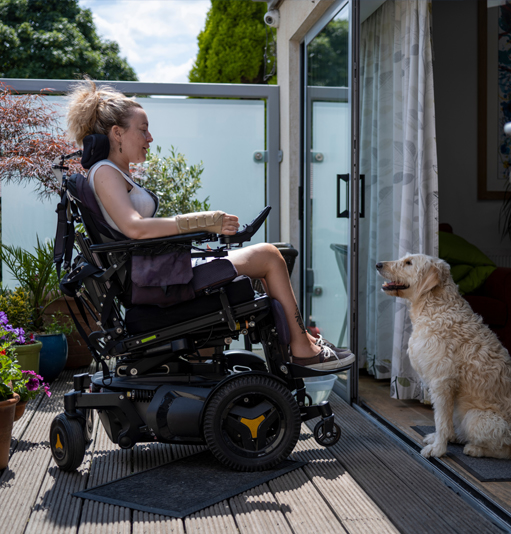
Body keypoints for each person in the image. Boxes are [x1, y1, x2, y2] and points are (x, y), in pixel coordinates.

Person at [66, 79, 353, 370]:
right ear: (117, 133)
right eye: (142, 129)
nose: (150, 137)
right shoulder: (105, 172)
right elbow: (135, 229)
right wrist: (203, 221)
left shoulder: (113, 172)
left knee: (272, 256)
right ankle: (302, 348)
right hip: (153, 281)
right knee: (268, 255)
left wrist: (199, 230)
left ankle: (302, 342)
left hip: (154, 274)